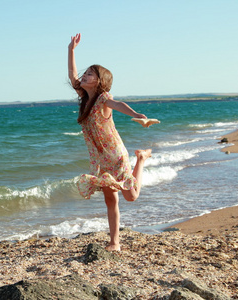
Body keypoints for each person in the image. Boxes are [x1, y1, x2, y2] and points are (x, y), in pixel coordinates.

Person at [68, 33, 152, 251]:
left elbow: (119, 104)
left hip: (115, 154)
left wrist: (137, 115)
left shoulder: (103, 98)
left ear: (99, 81)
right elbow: (72, 75)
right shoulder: (85, 99)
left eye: (89, 74)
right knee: (110, 200)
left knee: (131, 196)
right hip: (99, 159)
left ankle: (141, 159)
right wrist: (71, 50)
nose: (84, 76)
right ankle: (114, 242)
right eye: (85, 73)